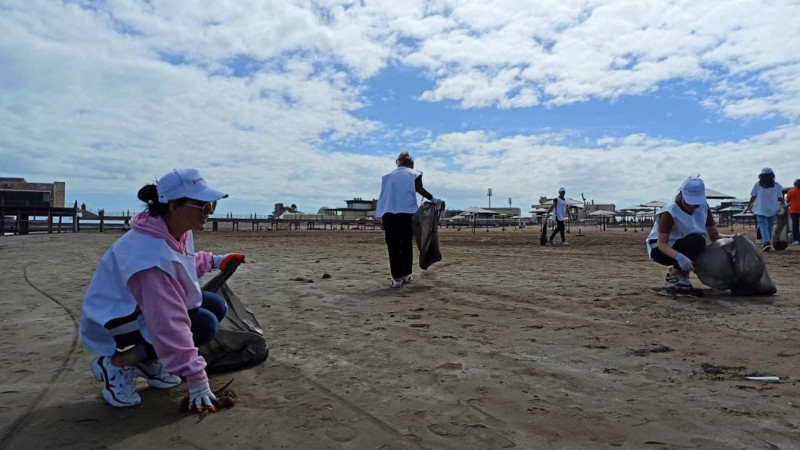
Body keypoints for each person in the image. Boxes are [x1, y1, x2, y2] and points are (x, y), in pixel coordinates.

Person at [80, 168, 246, 412]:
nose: (208, 213)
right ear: (174, 206)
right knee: (203, 324)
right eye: (203, 206)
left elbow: (182, 263)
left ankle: (148, 362)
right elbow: (168, 323)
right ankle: (117, 364)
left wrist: (214, 261)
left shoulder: (174, 230)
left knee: (214, 305)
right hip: (111, 319)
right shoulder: (149, 256)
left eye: (212, 206)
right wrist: (198, 380)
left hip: (139, 309)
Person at [646, 177, 728, 289]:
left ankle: (682, 275)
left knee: (697, 241)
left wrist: (731, 238)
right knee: (696, 240)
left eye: (696, 204)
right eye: (689, 203)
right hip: (661, 250)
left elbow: (714, 236)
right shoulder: (669, 212)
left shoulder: (704, 207)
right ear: (681, 195)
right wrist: (680, 257)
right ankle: (673, 276)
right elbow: (662, 244)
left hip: (685, 245)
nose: (692, 207)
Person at [375, 151, 442, 288]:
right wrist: (434, 199)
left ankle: (396, 278)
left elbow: (383, 198)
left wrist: (382, 217)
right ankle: (407, 274)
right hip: (407, 214)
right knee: (406, 244)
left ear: (398, 162)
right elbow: (419, 188)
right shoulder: (414, 174)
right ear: (411, 164)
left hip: (389, 215)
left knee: (393, 246)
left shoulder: (387, 177)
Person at [743, 168, 785, 252]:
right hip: (773, 209)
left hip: (761, 208)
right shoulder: (777, 185)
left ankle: (766, 242)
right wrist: (784, 204)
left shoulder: (758, 185)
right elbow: (780, 197)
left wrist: (749, 205)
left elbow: (753, 196)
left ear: (761, 176)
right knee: (769, 226)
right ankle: (767, 242)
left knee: (763, 226)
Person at [786, 179, 800, 245]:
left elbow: (787, 201)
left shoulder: (791, 191)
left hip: (794, 210)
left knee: (795, 226)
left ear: (794, 184)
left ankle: (796, 240)